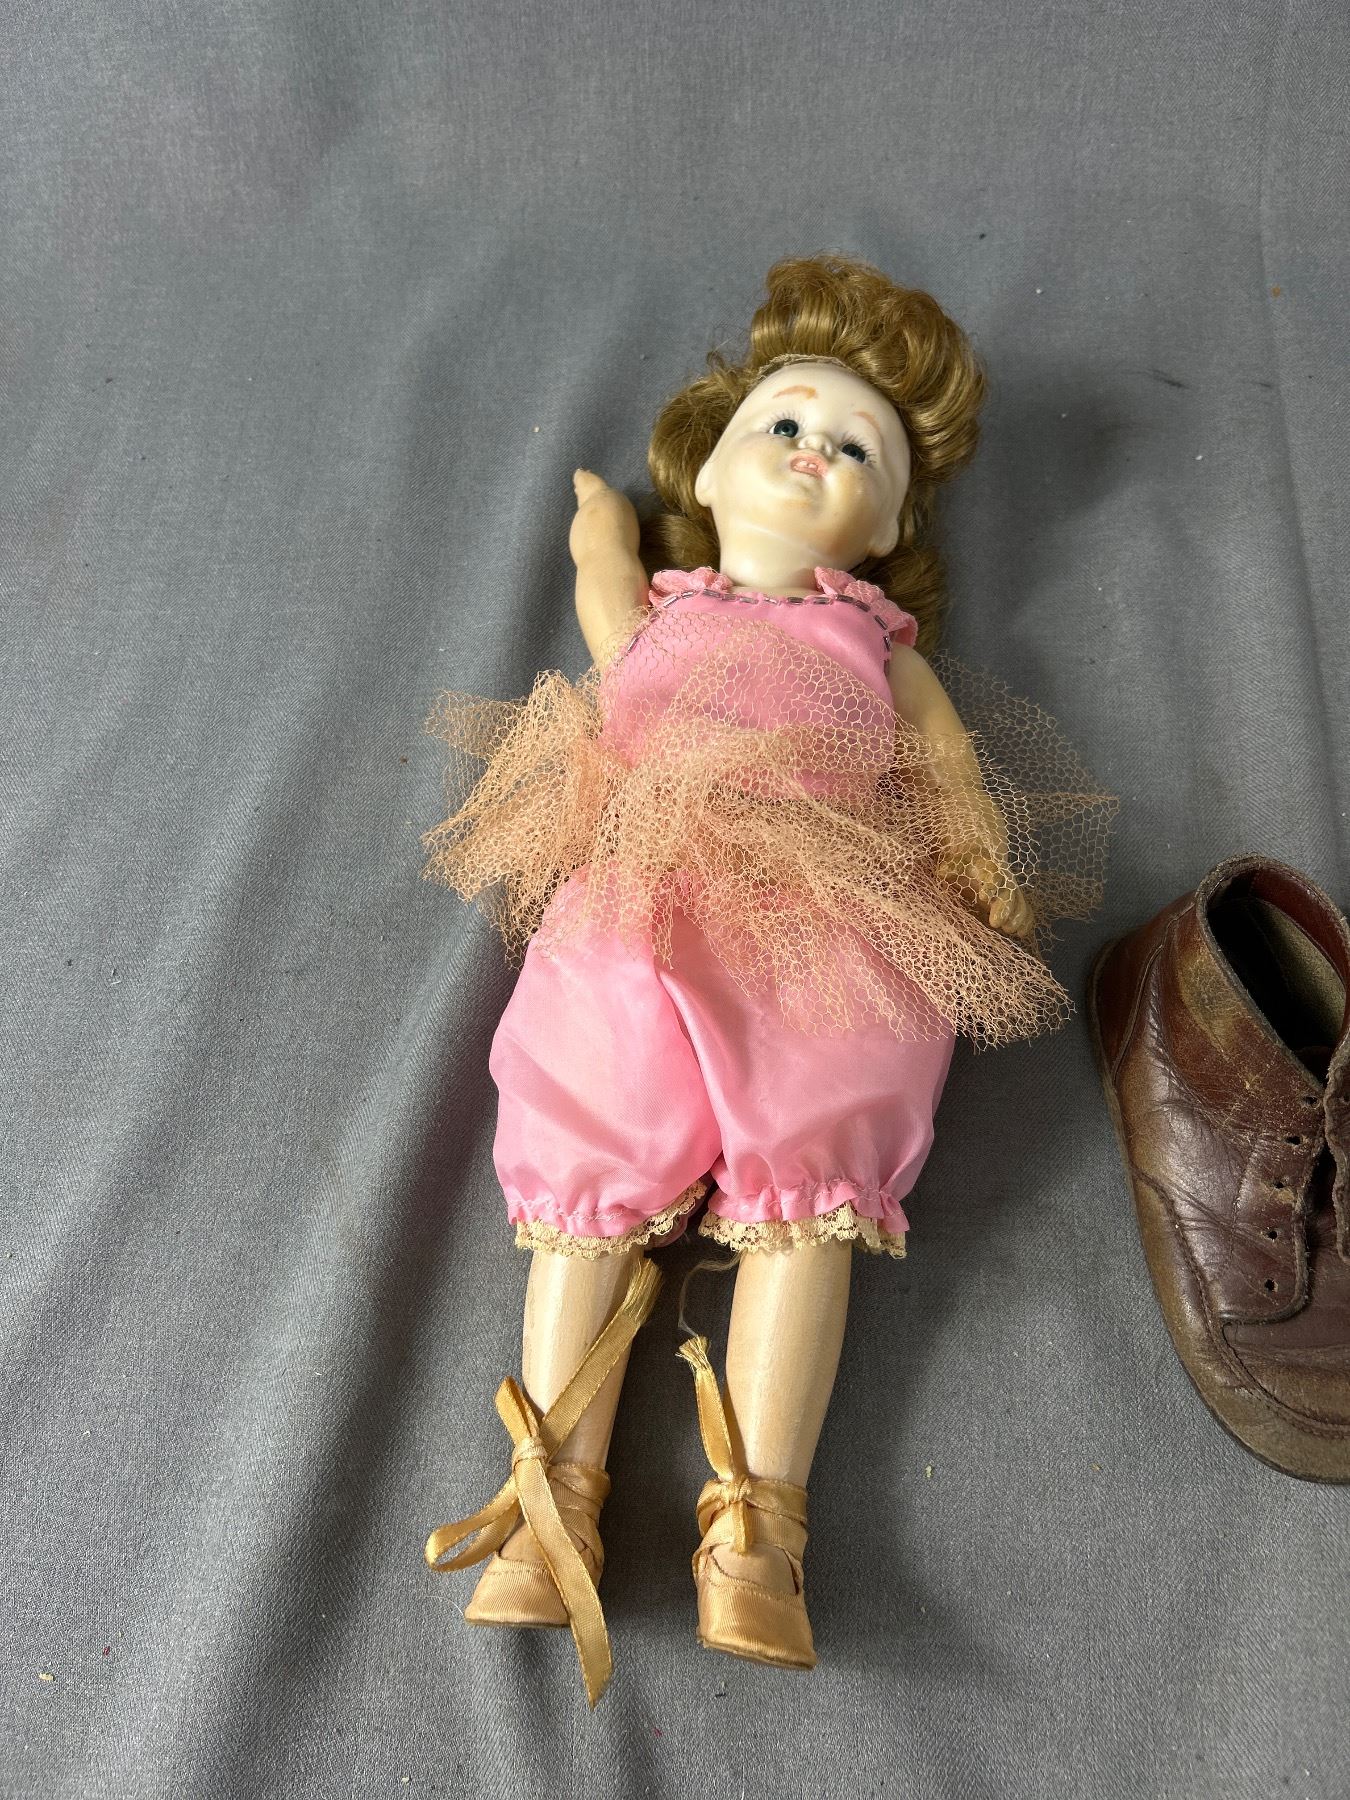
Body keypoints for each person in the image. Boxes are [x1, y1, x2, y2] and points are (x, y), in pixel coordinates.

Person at [421, 253, 1115, 1706]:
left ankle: (758, 1533)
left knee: (813, 1182)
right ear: (710, 466)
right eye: (781, 424)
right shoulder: (665, 612)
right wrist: (598, 526)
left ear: (890, 526)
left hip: (827, 912)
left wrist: (979, 851)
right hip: (642, 890)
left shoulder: (877, 643)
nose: (810, 450)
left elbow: (945, 766)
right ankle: (549, 1499)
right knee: (589, 1159)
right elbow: (604, 605)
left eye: (855, 449)